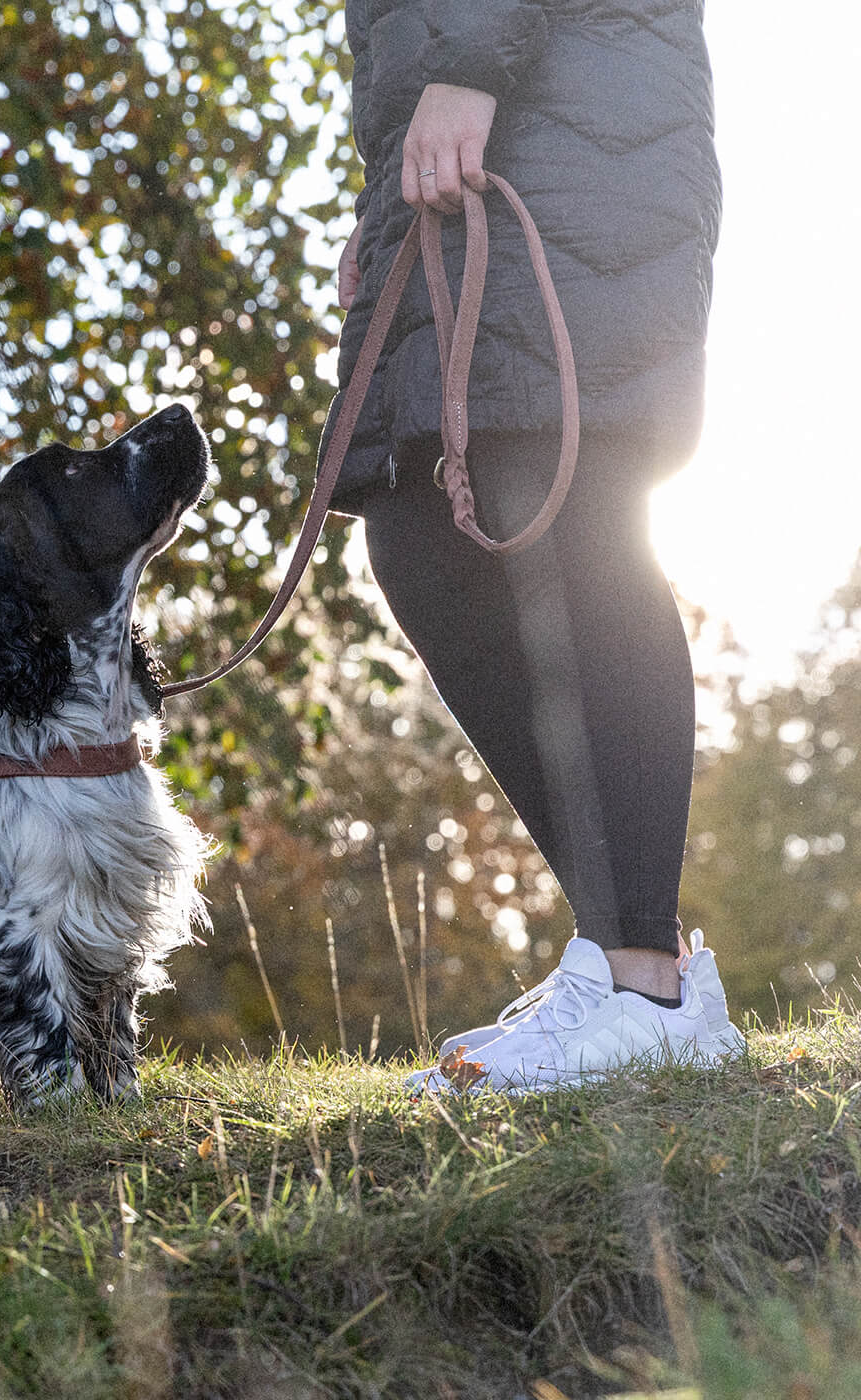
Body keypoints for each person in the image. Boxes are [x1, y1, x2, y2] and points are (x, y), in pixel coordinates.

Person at [324, 1, 745, 1092]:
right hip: (458, 148)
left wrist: (465, 71)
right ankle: (624, 956)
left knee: (575, 513)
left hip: (568, 124)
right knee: (416, 536)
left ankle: (642, 975)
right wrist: (376, 206)